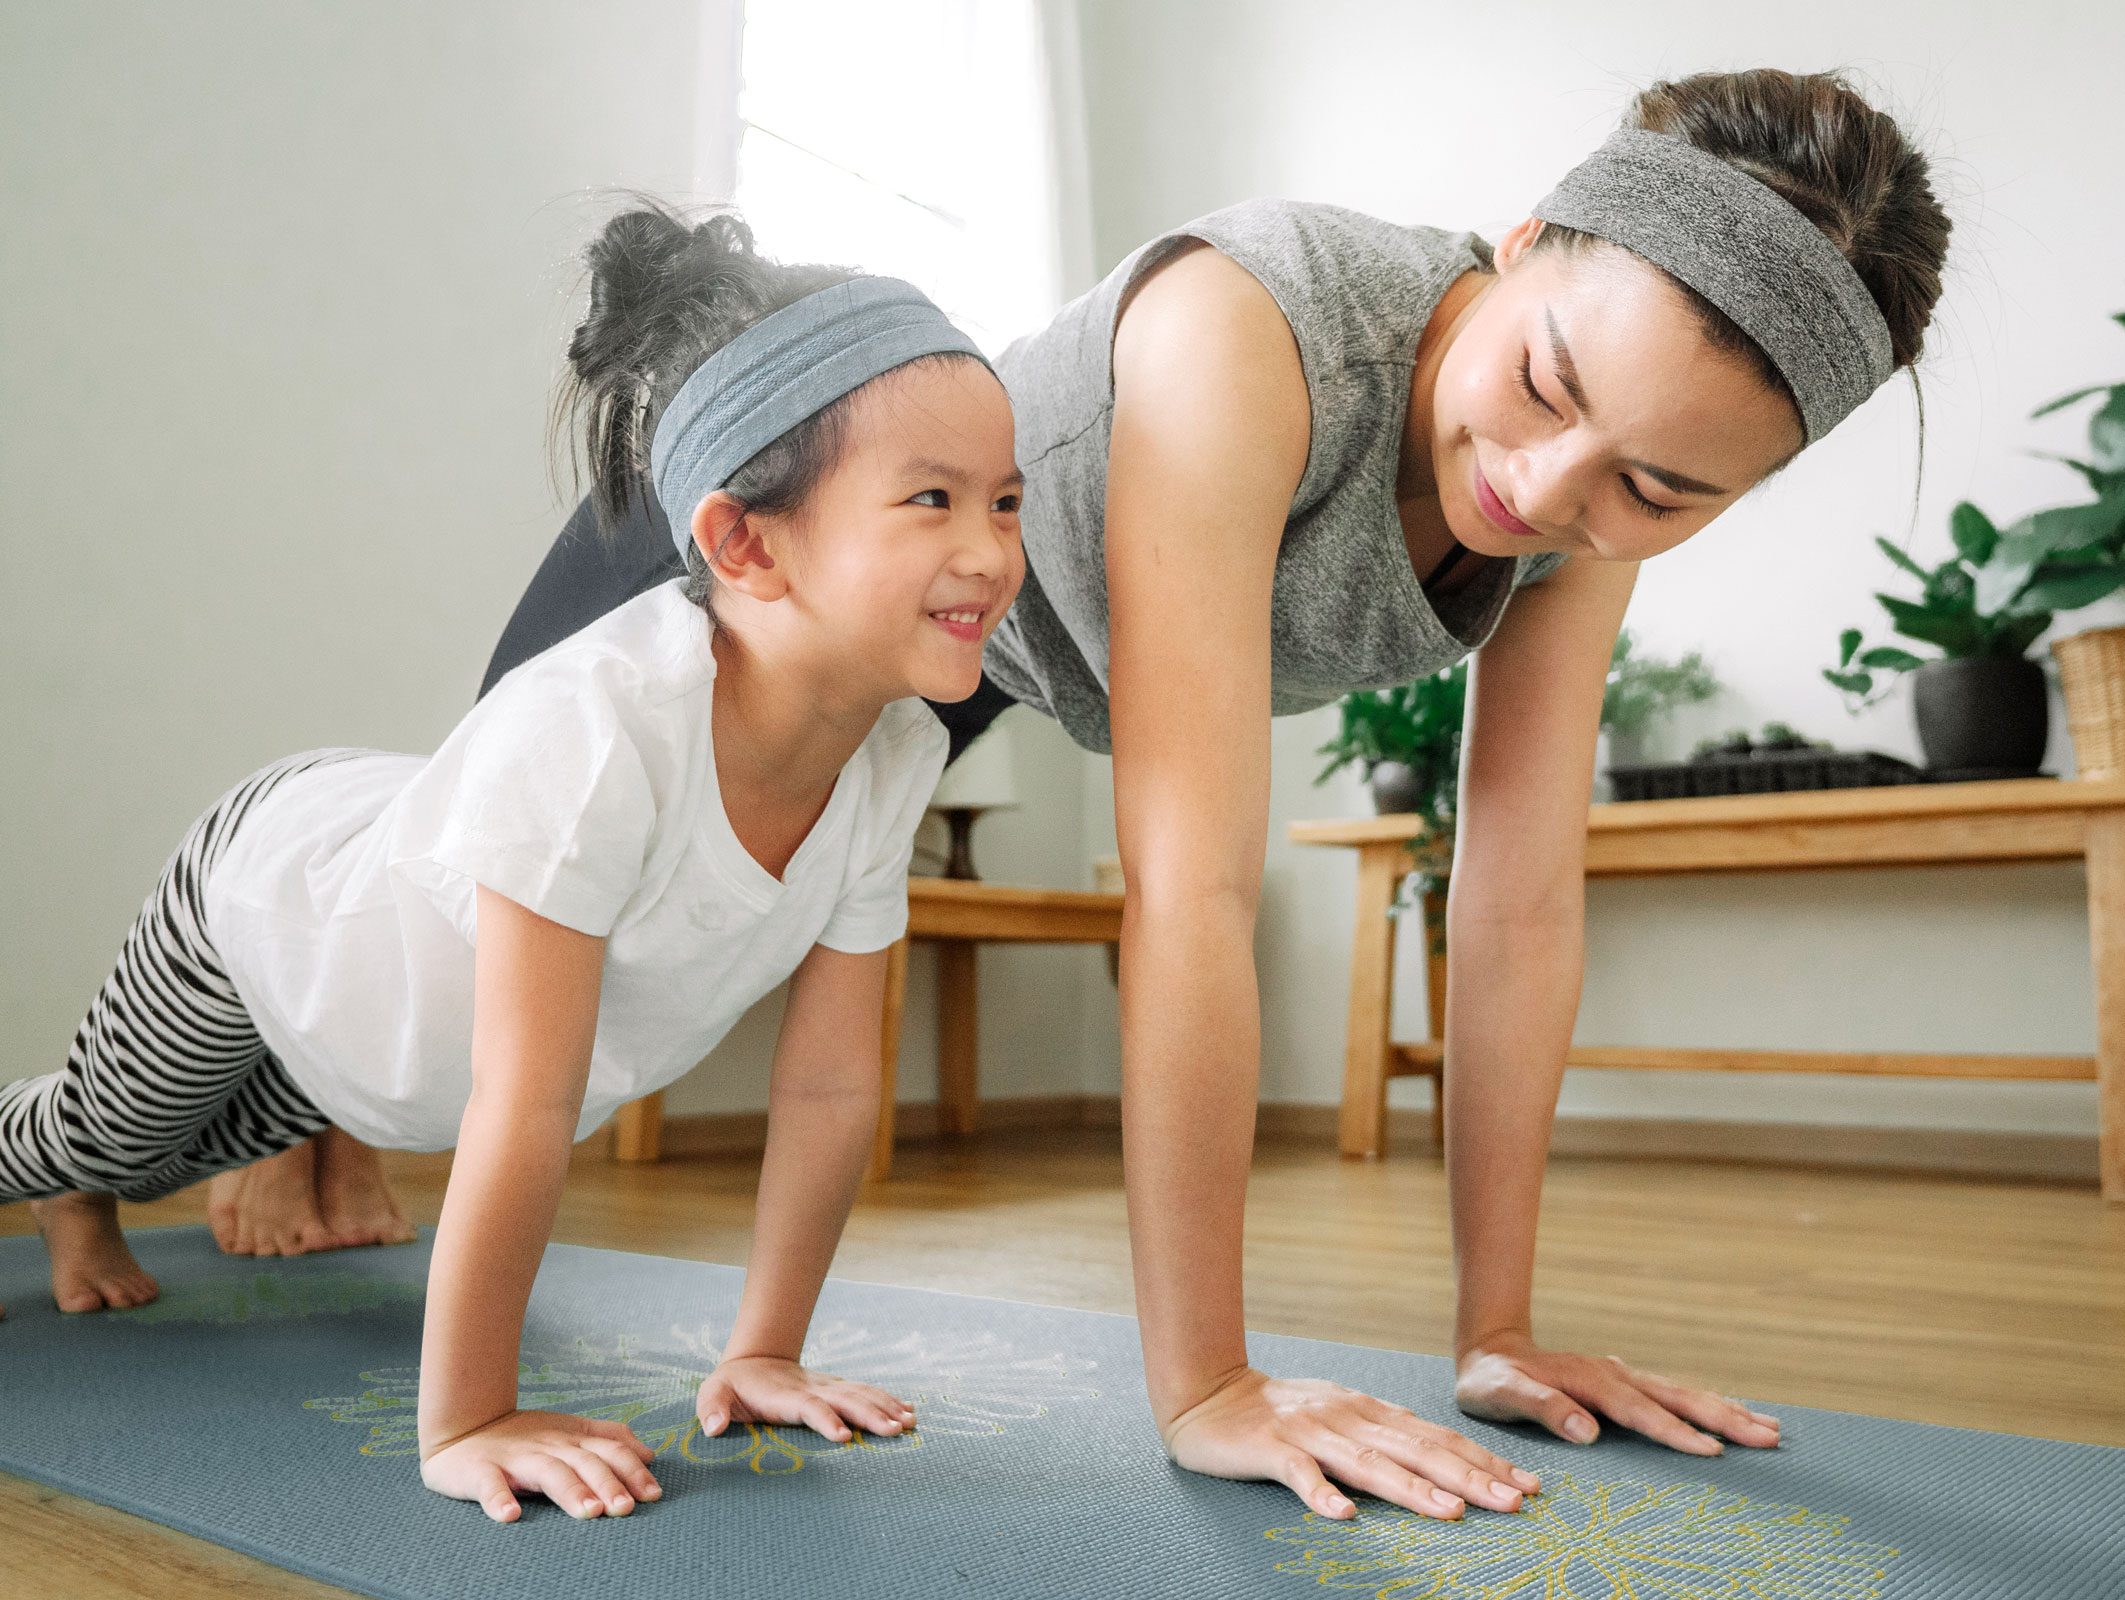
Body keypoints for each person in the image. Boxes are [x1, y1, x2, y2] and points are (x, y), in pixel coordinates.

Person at [223, 67, 1953, 1523]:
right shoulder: (1253, 327)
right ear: (1520, 251)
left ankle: (331, 1130)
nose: (1545, 490)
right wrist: (1208, 1384)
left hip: (979, 662)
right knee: (450, 897)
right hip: (799, 569)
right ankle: (305, 1118)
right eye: (1545, 389)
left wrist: (1495, 1327)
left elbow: (1516, 892)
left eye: (1656, 488)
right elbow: (1190, 883)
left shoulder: (1580, 508)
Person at [0, 206, 1029, 1522]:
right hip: (268, 901)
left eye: (1004, 501)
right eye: (933, 500)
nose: (992, 551)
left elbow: (827, 1087)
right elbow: (524, 1103)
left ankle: (88, 1187)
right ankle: (71, 1180)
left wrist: (764, 1349)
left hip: (383, 1042)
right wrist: (472, 1416)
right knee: (113, 1132)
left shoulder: (889, 762)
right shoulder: (603, 729)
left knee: (206, 1139)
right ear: (744, 544)